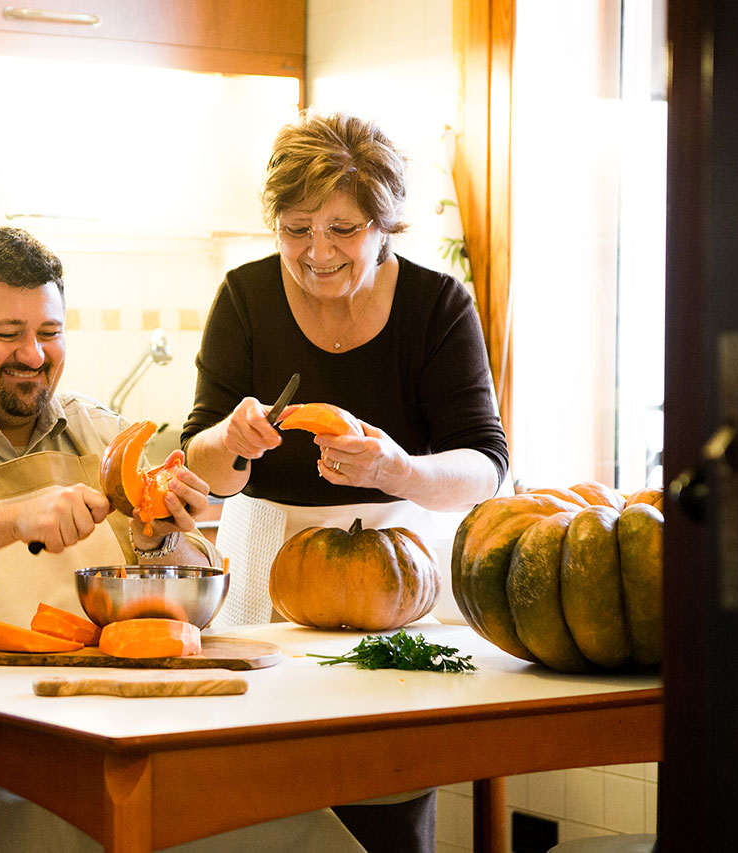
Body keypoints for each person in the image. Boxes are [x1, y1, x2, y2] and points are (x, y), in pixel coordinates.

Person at [0, 225, 366, 853]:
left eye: (49, 333)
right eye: (7, 335)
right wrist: (11, 519)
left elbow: (192, 591)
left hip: (103, 730)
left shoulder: (102, 433)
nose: (34, 356)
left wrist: (161, 544)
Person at [180, 112, 511, 853]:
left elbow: (486, 465)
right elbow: (197, 460)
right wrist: (228, 443)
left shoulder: (438, 307)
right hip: (265, 567)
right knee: (256, 792)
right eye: (296, 228)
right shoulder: (244, 298)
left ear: (384, 223)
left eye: (342, 229)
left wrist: (401, 469)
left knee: (384, 788)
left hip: (396, 570)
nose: (316, 252)